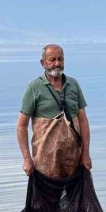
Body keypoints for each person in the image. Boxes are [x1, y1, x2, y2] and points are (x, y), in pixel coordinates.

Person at [17, 44, 91, 179]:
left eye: (60, 59)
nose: (57, 63)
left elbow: (83, 120)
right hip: (45, 162)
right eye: (52, 60)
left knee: (78, 199)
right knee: (46, 200)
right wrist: (27, 158)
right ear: (43, 62)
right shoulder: (34, 88)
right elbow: (21, 126)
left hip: (74, 159)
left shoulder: (73, 85)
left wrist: (85, 154)